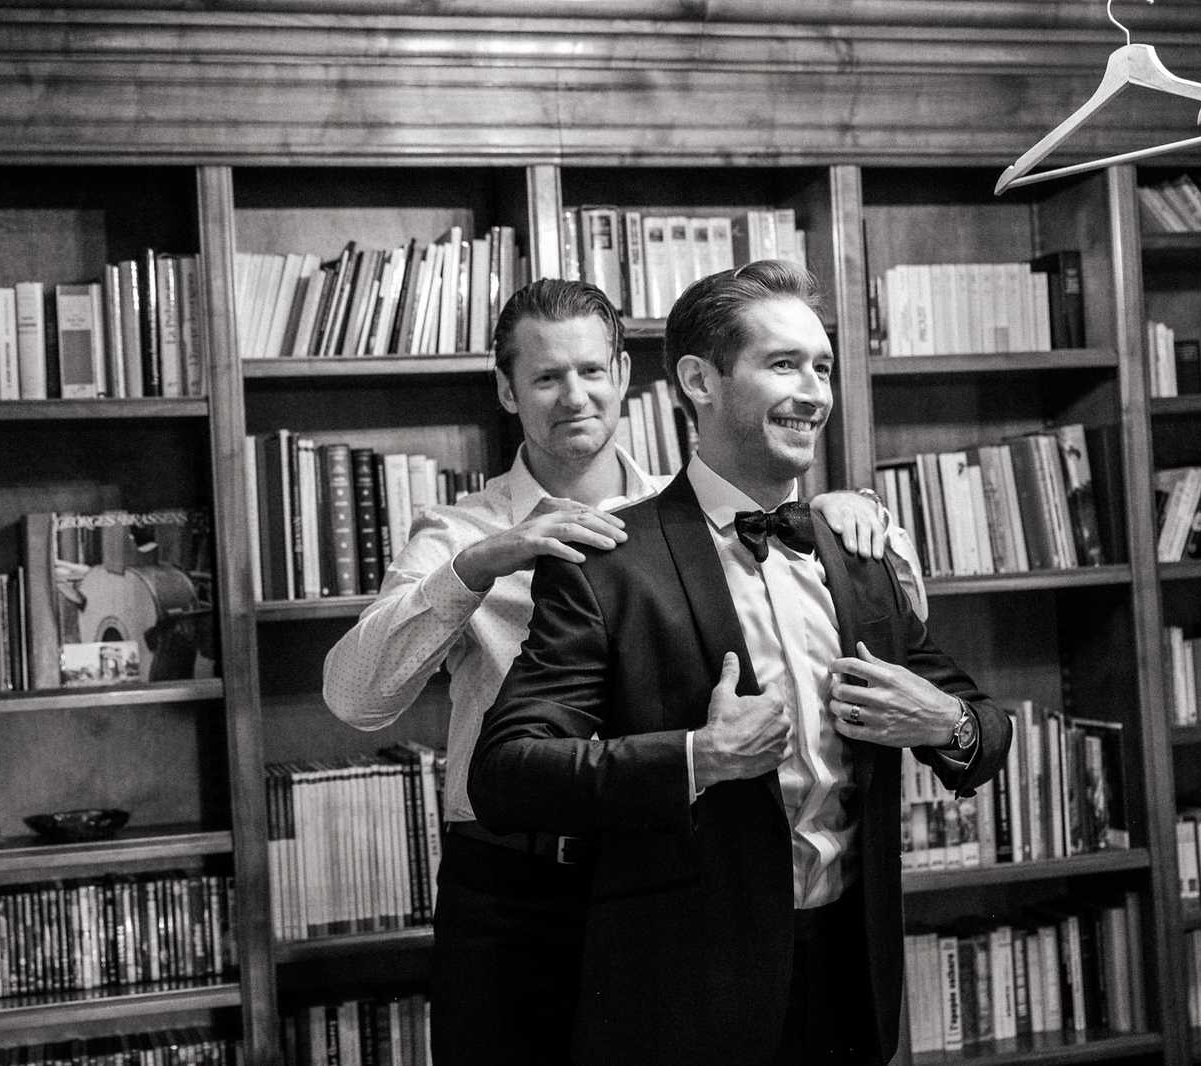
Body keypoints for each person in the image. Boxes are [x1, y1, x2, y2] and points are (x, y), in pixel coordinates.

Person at [322, 277, 924, 1066]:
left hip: (668, 885)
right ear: (507, 391)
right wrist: (475, 568)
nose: (574, 396)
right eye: (545, 377)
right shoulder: (459, 531)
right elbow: (356, 698)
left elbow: (847, 645)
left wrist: (852, 520)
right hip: (513, 890)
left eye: (592, 371)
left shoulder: (704, 516)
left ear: (626, 377)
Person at [468, 261, 1011, 1066]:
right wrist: (699, 757)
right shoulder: (606, 564)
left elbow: (984, 729)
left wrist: (945, 722)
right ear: (700, 379)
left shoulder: (857, 552)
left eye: (822, 366)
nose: (815, 392)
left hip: (851, 981)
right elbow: (506, 774)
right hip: (684, 994)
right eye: (783, 364)